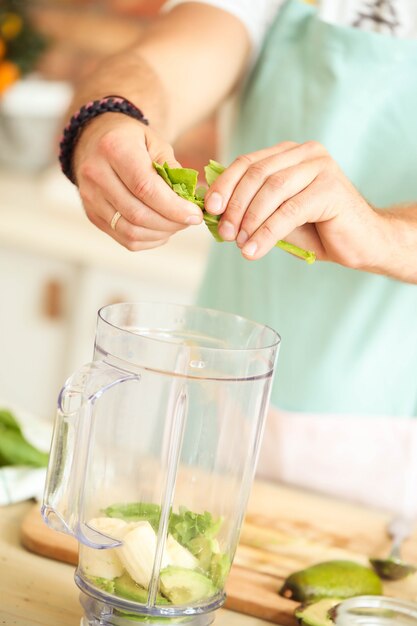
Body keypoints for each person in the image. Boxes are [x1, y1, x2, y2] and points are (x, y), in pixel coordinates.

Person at [61, 0, 417, 512]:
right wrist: (106, 120)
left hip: (396, 469)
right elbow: (159, 64)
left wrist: (381, 233)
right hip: (219, 418)